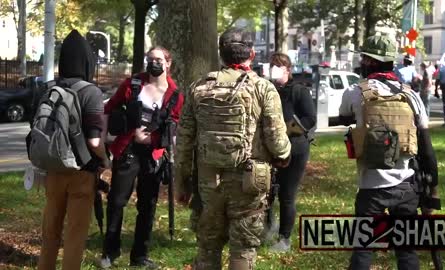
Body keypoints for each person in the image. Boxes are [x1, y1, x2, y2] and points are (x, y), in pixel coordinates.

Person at [175, 27, 291, 270]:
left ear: (221, 54)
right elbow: (277, 140)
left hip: (208, 182)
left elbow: (184, 140)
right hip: (249, 182)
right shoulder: (263, 88)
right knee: (244, 246)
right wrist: (283, 156)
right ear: (251, 54)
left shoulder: (199, 87)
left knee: (208, 245)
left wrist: (182, 182)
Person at [339, 35, 438, 270]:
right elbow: (426, 148)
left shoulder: (355, 92)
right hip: (406, 186)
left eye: (363, 58)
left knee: (363, 249)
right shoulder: (411, 95)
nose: (361, 62)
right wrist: (433, 190)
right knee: (406, 251)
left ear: (371, 61)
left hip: (371, 188)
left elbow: (344, 118)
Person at [100, 46, 184, 268]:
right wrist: (102, 141)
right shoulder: (132, 84)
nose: (153, 63)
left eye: (158, 60)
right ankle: (110, 252)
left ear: (168, 63)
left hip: (153, 156)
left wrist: (174, 154)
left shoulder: (175, 95)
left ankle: (139, 256)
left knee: (148, 206)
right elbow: (109, 109)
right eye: (150, 59)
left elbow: (175, 127)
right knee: (117, 202)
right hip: (127, 151)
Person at [37, 29, 110, 270]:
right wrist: (105, 162)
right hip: (81, 173)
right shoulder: (92, 92)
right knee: (74, 236)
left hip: (53, 169)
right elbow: (94, 142)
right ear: (88, 61)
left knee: (50, 233)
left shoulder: (48, 90)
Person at [265, 52, 316, 252]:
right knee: (266, 192)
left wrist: (288, 128)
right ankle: (268, 227)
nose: (274, 70)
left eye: (278, 66)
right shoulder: (267, 89)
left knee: (286, 194)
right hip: (270, 148)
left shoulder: (299, 91)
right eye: (272, 66)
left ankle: (284, 238)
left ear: (288, 70)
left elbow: (310, 119)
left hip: (295, 149)